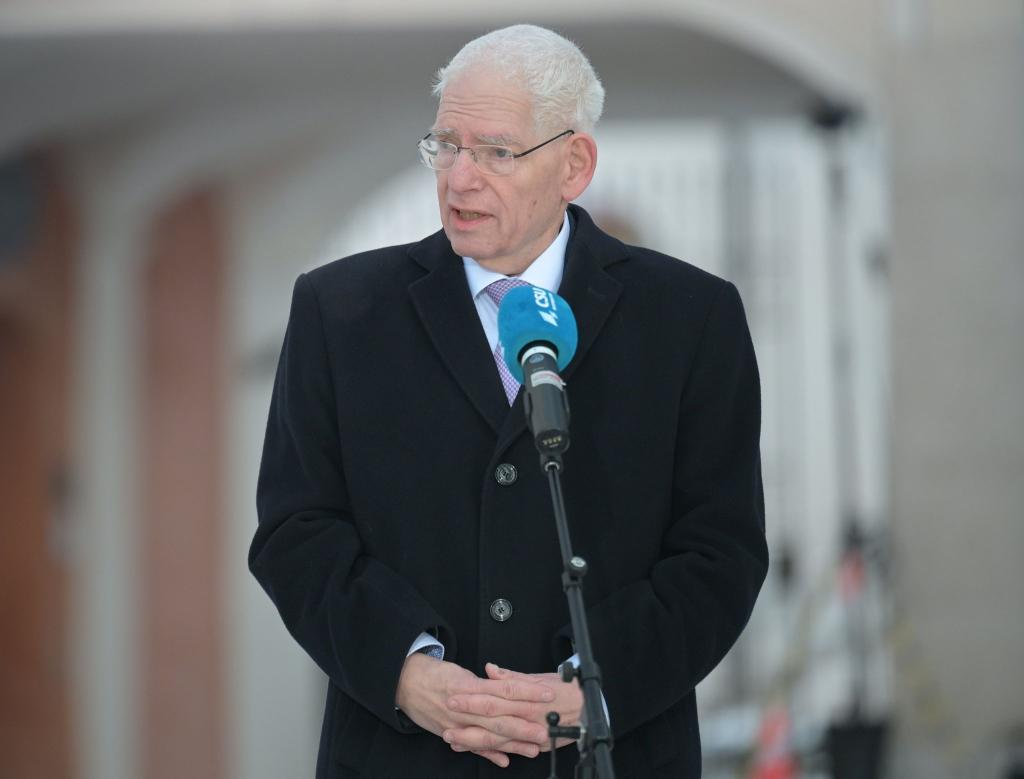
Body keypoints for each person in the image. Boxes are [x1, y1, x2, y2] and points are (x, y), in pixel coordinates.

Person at [250, 24, 768, 779]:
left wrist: (596, 686)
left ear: (574, 164)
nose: (460, 179)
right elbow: (296, 532)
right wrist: (408, 672)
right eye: (446, 146)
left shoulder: (690, 319)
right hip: (400, 755)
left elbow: (720, 555)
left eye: (496, 151)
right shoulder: (340, 312)